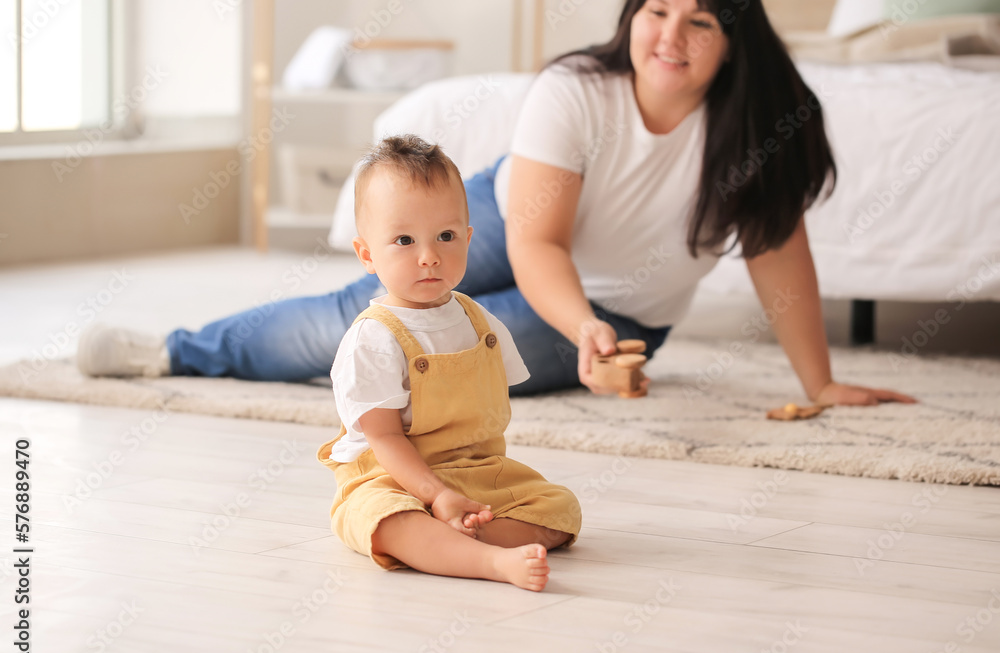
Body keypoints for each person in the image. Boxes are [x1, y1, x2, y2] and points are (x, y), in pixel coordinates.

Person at [77, 0, 916, 408]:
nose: (669, 36)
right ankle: (179, 351)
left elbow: (780, 254)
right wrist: (578, 318)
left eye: (699, 21)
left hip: (621, 308)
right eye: (656, 9)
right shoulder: (578, 92)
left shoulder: (757, 128)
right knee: (356, 325)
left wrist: (822, 380)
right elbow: (539, 242)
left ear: (735, 41)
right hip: (500, 222)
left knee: (449, 369)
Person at [316, 135, 579, 591]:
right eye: (403, 240)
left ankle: (457, 535)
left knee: (560, 509)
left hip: (472, 472)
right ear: (366, 255)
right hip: (391, 476)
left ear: (468, 238)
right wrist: (434, 494)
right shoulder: (373, 339)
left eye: (446, 236)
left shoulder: (478, 321)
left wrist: (457, 492)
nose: (429, 255)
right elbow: (383, 438)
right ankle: (489, 561)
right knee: (386, 521)